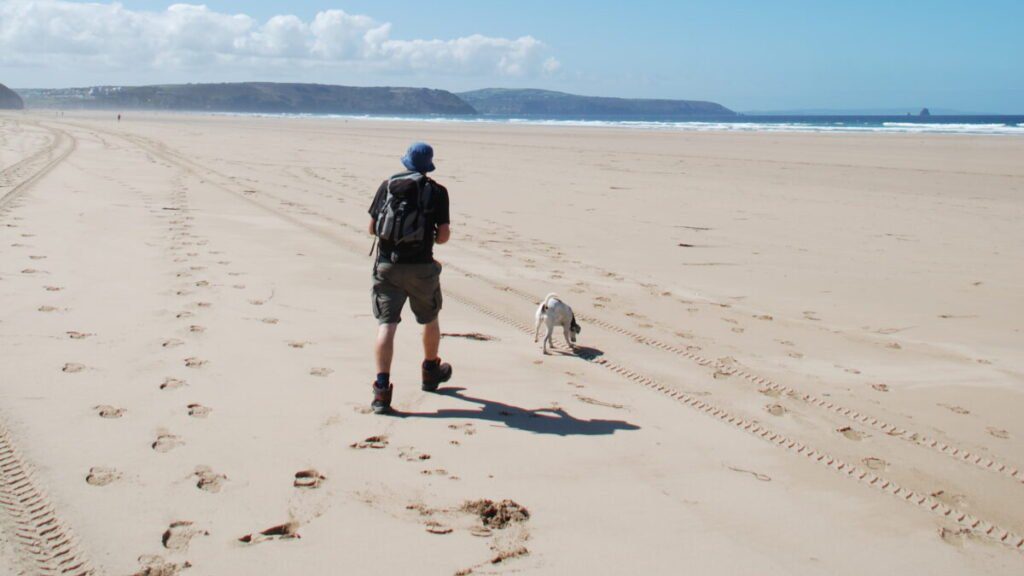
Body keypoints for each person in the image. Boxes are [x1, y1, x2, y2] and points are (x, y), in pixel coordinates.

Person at [367, 142, 452, 414]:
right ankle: (430, 370)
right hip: (420, 267)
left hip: (387, 265)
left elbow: (372, 228)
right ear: (428, 165)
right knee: (430, 318)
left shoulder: (387, 185)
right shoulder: (437, 192)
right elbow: (444, 236)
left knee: (386, 324)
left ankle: (382, 391)